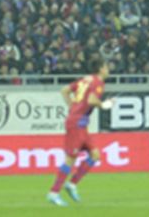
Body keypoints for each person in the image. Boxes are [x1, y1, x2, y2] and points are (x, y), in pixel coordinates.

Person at [46, 58, 112, 207]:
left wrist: (72, 107)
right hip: (77, 123)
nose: (108, 70)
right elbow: (92, 100)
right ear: (101, 69)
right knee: (71, 159)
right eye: (107, 67)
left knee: (95, 155)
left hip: (80, 122)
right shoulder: (98, 82)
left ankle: (72, 184)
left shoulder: (86, 79)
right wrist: (105, 105)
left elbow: (64, 90)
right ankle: (54, 193)